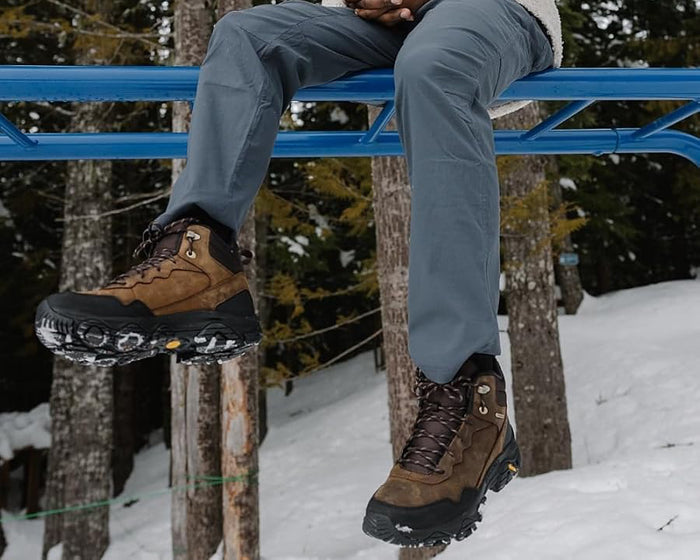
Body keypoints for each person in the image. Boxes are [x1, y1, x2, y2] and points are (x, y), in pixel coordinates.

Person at [35, 0, 563, 547]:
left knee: (433, 68)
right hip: (383, 23)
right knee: (247, 36)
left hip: (491, 11)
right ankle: (198, 260)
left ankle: (470, 396)